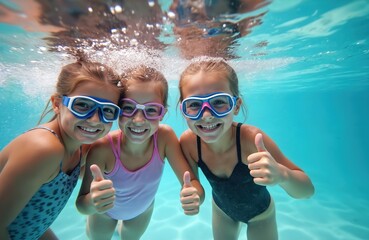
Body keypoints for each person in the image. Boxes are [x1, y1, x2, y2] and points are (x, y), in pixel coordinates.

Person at [178, 58, 315, 240]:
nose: (207, 115)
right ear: (183, 109)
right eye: (194, 104)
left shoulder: (251, 139)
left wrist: (283, 175)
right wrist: (195, 197)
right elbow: (196, 186)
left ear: (236, 106)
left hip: (261, 216)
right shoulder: (188, 143)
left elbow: (307, 191)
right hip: (222, 211)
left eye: (219, 102)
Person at [76, 65, 205, 240]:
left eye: (151, 110)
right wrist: (92, 202)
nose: (138, 120)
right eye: (128, 108)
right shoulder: (102, 148)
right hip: (103, 212)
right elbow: (81, 204)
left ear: (162, 114)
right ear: (116, 110)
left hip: (142, 211)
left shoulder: (164, 138)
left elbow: (192, 182)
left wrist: (195, 196)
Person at [0, 60, 123, 240]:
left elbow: (30, 216)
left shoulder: (80, 148)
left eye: (108, 110)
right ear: (57, 103)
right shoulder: (43, 149)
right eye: (82, 105)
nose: (96, 119)